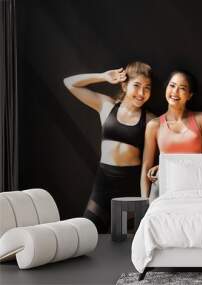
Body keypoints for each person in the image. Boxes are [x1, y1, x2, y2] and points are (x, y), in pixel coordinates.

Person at [63, 62, 154, 233]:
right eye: (137, 86)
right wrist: (103, 77)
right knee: (88, 234)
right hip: (103, 183)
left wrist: (145, 199)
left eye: (147, 88)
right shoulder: (106, 106)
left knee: (125, 244)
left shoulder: (149, 120)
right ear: (124, 85)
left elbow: (148, 163)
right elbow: (70, 83)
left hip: (129, 186)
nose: (142, 93)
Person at [141, 70, 202, 198]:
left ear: (190, 95)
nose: (175, 92)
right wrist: (144, 203)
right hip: (163, 190)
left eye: (182, 88)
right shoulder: (154, 125)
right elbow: (146, 167)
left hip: (195, 187)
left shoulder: (201, 119)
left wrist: (167, 164)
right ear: (166, 88)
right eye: (172, 86)